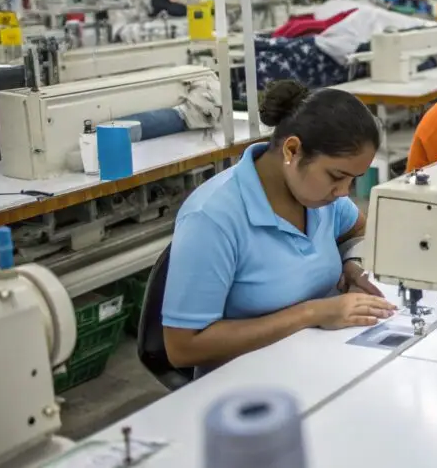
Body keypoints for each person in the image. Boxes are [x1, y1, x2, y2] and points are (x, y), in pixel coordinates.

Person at [162, 80, 396, 374]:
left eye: (353, 180)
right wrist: (311, 313)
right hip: (245, 385)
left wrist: (351, 264)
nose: (343, 192)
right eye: (337, 176)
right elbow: (182, 347)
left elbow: (358, 229)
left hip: (315, 361)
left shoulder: (320, 198)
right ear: (292, 150)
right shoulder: (211, 218)